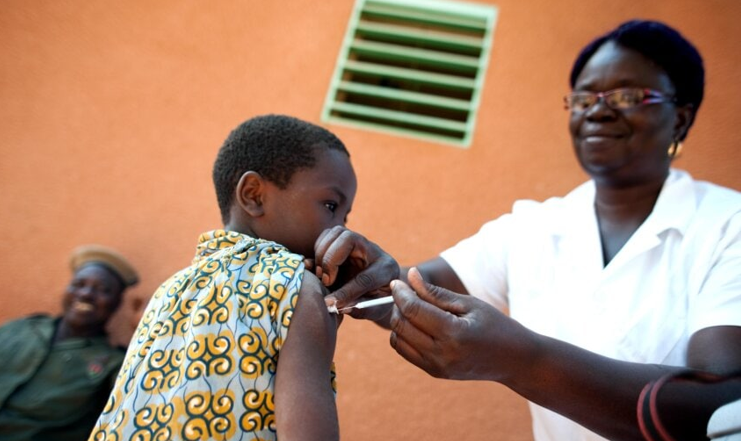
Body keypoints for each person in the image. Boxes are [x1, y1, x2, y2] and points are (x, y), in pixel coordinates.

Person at [312, 20, 741, 440]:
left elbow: (723, 403)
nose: (597, 110)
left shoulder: (727, 225)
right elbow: (411, 293)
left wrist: (521, 360)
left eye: (627, 96)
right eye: (583, 98)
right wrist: (363, 277)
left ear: (680, 118)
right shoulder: (533, 227)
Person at [88, 114, 355, 441]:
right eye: (330, 206)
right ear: (253, 195)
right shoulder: (297, 287)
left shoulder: (169, 290)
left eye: (345, 216)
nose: (341, 229)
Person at [0, 244, 139, 441]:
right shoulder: (20, 328)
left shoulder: (113, 365)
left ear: (116, 303)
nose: (86, 294)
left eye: (103, 290)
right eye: (79, 284)